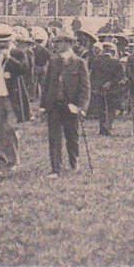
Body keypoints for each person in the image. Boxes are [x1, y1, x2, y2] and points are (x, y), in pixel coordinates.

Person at [0, 24, 31, 174]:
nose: (3, 45)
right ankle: (1, 158)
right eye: (0, 42)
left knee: (11, 128)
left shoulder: (18, 53)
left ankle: (13, 159)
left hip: (12, 97)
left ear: (11, 41)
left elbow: (24, 69)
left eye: (6, 42)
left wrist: (9, 59)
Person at [40, 33, 91, 178]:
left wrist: (81, 107)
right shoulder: (53, 61)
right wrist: (43, 104)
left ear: (69, 43)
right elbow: (47, 84)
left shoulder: (79, 62)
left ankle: (74, 162)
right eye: (56, 42)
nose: (56, 45)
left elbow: (85, 88)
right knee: (54, 138)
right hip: (54, 105)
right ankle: (55, 168)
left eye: (60, 42)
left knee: (72, 136)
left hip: (71, 106)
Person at [90, 41, 125, 136]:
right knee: (112, 108)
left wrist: (95, 86)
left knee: (102, 109)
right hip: (113, 89)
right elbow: (121, 76)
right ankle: (108, 126)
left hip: (99, 89)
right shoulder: (116, 62)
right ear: (112, 51)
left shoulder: (96, 60)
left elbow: (92, 75)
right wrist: (110, 83)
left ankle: (102, 129)